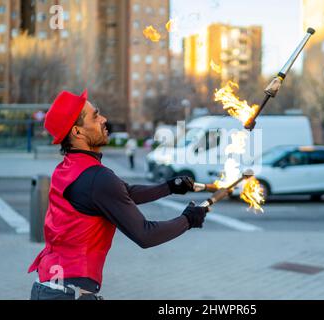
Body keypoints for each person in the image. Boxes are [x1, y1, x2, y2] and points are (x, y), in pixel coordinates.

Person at [28, 90, 208, 300]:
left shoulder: (67, 169)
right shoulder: (97, 178)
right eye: (95, 116)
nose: (104, 119)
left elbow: (124, 193)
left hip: (48, 286)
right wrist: (188, 220)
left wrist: (169, 187)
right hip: (68, 293)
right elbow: (145, 234)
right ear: (77, 132)